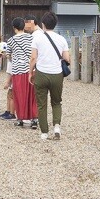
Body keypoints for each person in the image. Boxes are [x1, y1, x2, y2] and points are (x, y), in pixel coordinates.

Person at [29, 11, 71, 140]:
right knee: (56, 102)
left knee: (41, 104)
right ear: (55, 24)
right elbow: (67, 58)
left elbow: (33, 58)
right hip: (57, 74)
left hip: (41, 73)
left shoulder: (37, 38)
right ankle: (57, 126)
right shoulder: (61, 39)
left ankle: (44, 132)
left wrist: (30, 72)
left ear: (43, 24)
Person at [5, 18, 36, 127]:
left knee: (19, 94)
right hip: (31, 70)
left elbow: (8, 56)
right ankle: (34, 118)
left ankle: (21, 118)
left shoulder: (11, 40)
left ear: (14, 28)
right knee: (32, 95)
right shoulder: (31, 38)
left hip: (18, 71)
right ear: (24, 26)